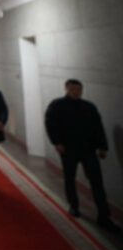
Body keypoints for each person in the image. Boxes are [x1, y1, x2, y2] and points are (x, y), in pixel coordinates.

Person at [44, 79, 121, 233]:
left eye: (79, 90)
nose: (76, 92)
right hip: (68, 150)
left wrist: (103, 147)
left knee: (97, 181)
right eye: (73, 89)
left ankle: (104, 216)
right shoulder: (57, 105)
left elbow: (98, 127)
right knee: (70, 178)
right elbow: (50, 124)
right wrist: (57, 142)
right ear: (66, 89)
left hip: (88, 149)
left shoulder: (89, 107)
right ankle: (74, 205)